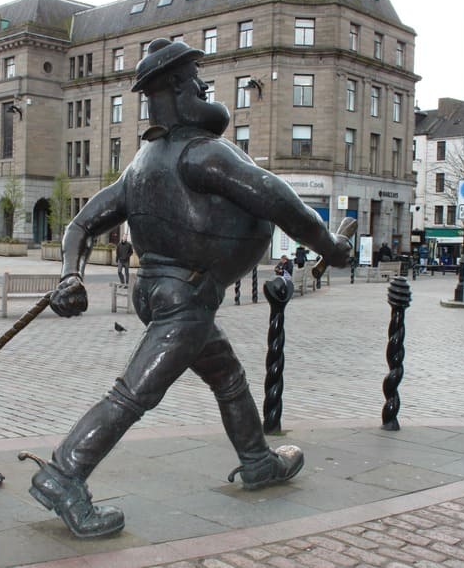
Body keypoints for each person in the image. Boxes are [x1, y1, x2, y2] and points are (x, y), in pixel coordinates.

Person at [21, 38, 352, 539]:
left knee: (226, 374)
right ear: (177, 87)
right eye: (196, 79)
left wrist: (72, 272)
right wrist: (331, 246)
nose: (203, 87)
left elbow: (80, 226)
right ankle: (64, 475)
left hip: (163, 294)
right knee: (132, 395)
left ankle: (257, 460)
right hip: (185, 300)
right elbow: (279, 200)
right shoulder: (202, 155)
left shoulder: (141, 164)